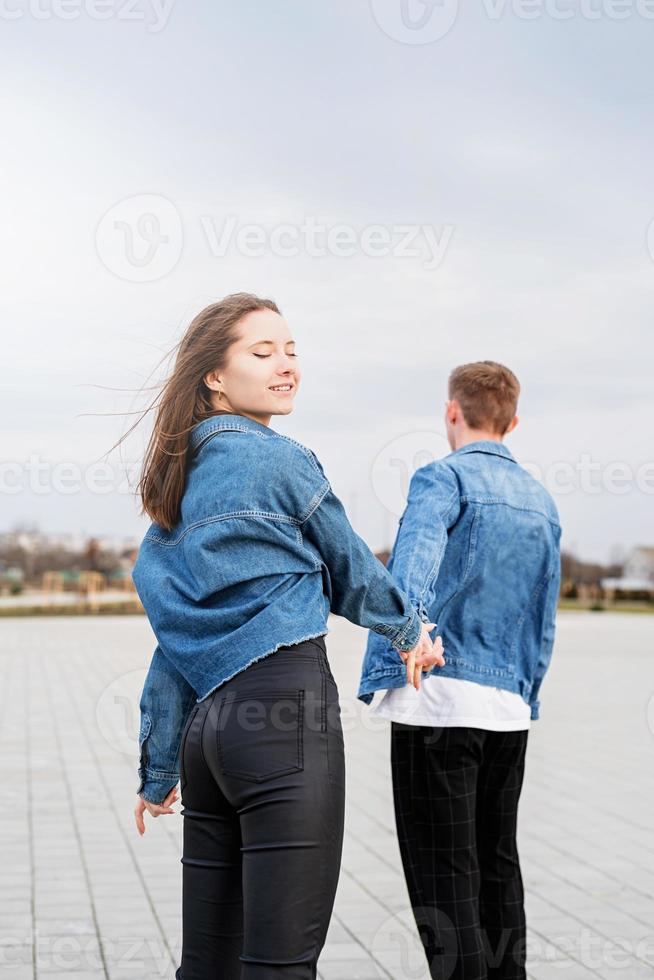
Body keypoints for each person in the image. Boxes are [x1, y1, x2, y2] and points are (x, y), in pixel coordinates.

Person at [128, 292, 445, 979]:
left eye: (292, 351)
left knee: (206, 968)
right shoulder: (280, 460)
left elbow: (176, 646)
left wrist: (158, 773)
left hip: (209, 739)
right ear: (214, 375)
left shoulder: (177, 494)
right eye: (263, 352)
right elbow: (352, 567)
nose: (286, 366)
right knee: (280, 967)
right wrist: (410, 630)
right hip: (281, 719)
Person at [357, 361, 561, 980]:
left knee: (444, 877)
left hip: (438, 699)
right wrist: (526, 695)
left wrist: (408, 634)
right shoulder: (542, 502)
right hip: (507, 709)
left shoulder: (440, 478)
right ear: (513, 420)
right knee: (497, 864)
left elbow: (414, 560)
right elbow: (542, 620)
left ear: (452, 412)